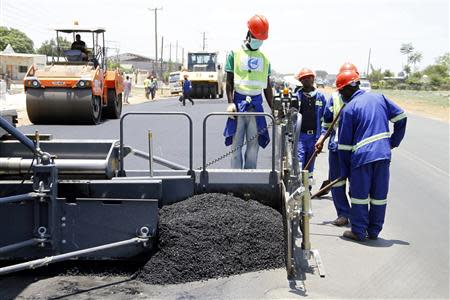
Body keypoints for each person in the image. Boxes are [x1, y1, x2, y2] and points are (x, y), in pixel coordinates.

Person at [336, 70, 407, 241]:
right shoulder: (380, 98)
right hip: (383, 154)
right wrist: (393, 142)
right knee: (378, 195)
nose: (340, 94)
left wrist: (344, 171)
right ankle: (374, 231)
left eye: (341, 91)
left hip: (362, 157)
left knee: (359, 196)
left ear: (347, 89)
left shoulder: (349, 108)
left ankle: (358, 231)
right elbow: (401, 117)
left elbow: (344, 146)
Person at [223, 14, 273, 169]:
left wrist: (274, 108)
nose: (260, 41)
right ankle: (235, 181)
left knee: (253, 148)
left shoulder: (264, 58)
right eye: (258, 37)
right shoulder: (234, 53)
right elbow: (229, 81)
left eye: (262, 39)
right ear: (249, 34)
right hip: (238, 105)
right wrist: (230, 103)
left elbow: (268, 87)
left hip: (256, 106)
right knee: (236, 147)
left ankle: (250, 181)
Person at [315, 62, 359, 226]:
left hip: (356, 147)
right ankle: (343, 213)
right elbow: (326, 122)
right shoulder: (334, 98)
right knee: (337, 181)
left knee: (356, 182)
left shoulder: (363, 97)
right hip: (337, 145)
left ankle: (357, 214)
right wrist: (321, 138)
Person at [295, 68, 326, 185]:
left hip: (314, 137)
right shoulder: (297, 96)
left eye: (309, 77)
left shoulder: (320, 97)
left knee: (310, 165)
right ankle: (298, 187)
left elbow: (326, 119)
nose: (307, 80)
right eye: (304, 78)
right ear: (301, 81)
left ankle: (307, 189)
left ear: (313, 78)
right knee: (299, 163)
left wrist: (321, 138)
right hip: (301, 137)